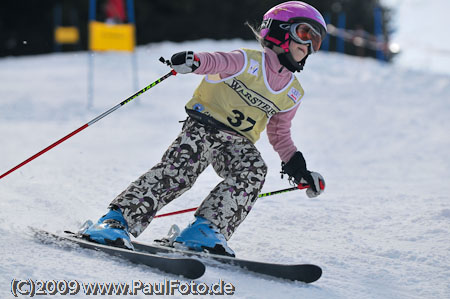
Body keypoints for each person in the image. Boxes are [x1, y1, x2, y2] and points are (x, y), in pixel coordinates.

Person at [82, 1, 327, 257]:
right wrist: (194, 61)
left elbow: (280, 134)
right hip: (203, 127)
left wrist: (299, 169)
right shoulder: (247, 61)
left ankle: (206, 229)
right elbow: (217, 62)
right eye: (305, 34)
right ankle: (115, 221)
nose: (308, 46)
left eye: (316, 41)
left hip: (236, 142)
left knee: (253, 170)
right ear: (279, 30)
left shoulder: (292, 92)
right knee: (179, 173)